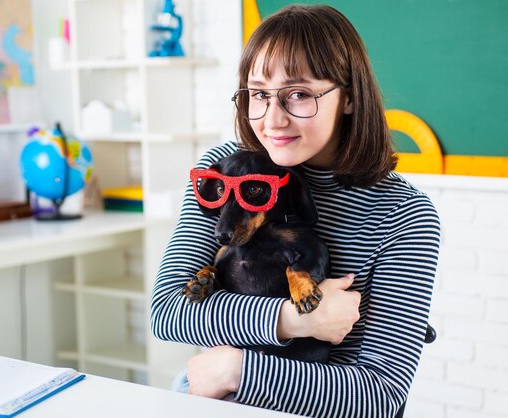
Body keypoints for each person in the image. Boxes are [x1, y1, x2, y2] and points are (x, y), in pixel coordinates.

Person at [150, 4, 440, 417]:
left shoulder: (404, 214)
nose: (272, 119)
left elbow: (381, 396)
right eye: (259, 94)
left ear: (350, 98)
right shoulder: (224, 172)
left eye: (299, 94)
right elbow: (168, 311)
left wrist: (237, 368)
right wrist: (294, 319)